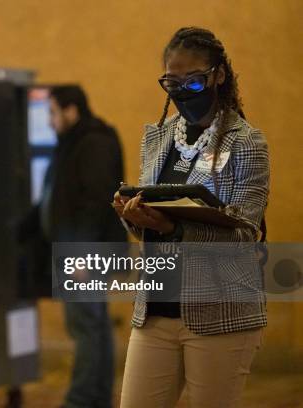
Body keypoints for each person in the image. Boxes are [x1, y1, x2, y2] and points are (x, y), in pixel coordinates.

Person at [114, 27, 269, 408]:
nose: (182, 90)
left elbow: (245, 235)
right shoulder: (158, 137)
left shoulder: (246, 141)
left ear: (218, 75)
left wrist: (174, 227)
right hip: (155, 311)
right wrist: (133, 215)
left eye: (194, 81)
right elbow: (148, 229)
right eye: (172, 81)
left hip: (219, 311)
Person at [20, 85, 126, 408]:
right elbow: (54, 199)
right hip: (77, 250)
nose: (50, 121)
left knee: (86, 326)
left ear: (71, 110)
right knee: (89, 325)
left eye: (52, 112)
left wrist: (80, 255)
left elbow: (95, 203)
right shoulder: (72, 144)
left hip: (85, 253)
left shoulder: (94, 144)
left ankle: (82, 400)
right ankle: (94, 398)